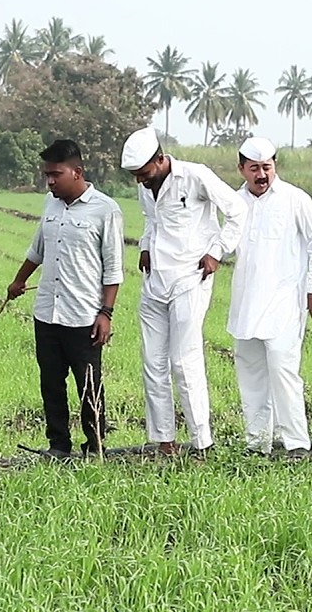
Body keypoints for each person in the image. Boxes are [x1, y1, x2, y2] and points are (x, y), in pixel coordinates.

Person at [121, 126, 247, 455]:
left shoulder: (195, 176)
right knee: (153, 363)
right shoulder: (145, 187)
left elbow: (237, 211)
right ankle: (165, 442)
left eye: (143, 173)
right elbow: (151, 220)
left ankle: (201, 443)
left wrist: (217, 252)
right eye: (135, 175)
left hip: (190, 278)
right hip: (154, 282)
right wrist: (146, 247)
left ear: (160, 159)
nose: (140, 181)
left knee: (183, 360)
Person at [8, 139, 125, 459]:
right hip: (47, 312)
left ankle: (95, 446)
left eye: (55, 174)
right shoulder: (51, 204)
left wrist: (106, 313)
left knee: (89, 387)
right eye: (47, 174)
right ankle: (58, 445)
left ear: (77, 172)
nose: (49, 181)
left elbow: (114, 268)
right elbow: (38, 250)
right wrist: (19, 281)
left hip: (84, 317)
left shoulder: (105, 210)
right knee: (51, 385)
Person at [227, 137, 312, 457]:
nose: (262, 174)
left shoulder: (294, 199)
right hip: (246, 302)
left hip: (285, 300)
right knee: (251, 373)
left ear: (275, 166)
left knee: (284, 372)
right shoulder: (235, 202)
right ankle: (257, 443)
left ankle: (297, 444)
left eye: (267, 167)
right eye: (255, 168)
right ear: (242, 169)